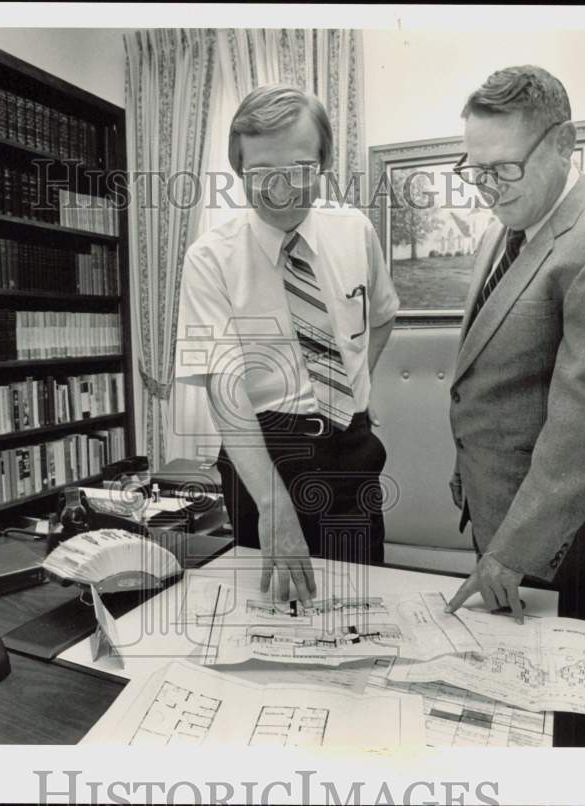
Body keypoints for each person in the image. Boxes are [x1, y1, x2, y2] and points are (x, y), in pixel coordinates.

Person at [443, 66, 585, 623]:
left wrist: (512, 552)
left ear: (564, 144)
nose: (489, 188)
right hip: (500, 525)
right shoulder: (504, 228)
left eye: (505, 168)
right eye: (477, 171)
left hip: (556, 545)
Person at [174, 84, 400, 606]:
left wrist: (353, 391)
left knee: (358, 606)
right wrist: (275, 507)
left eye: (299, 170)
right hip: (264, 454)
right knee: (276, 615)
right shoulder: (208, 258)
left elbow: (385, 316)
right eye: (259, 175)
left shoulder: (355, 230)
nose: (279, 190)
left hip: (351, 450)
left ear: (323, 161)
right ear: (237, 169)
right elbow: (222, 392)